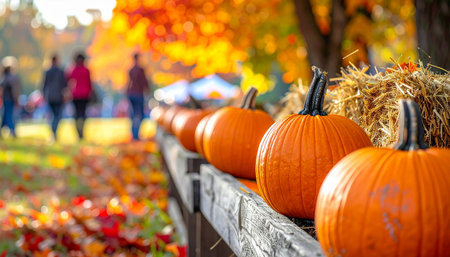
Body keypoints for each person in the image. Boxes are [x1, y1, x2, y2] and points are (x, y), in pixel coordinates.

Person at [42, 54, 67, 140]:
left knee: (53, 115)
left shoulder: (47, 72)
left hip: (50, 96)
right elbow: (64, 84)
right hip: (58, 97)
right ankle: (54, 131)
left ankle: (53, 132)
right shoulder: (60, 72)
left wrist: (44, 95)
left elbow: (44, 85)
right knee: (57, 116)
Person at [67, 53, 92, 139]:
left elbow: (68, 80)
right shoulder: (86, 70)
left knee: (77, 114)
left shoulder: (73, 70)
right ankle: (81, 131)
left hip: (76, 95)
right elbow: (89, 84)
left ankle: (79, 131)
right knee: (82, 114)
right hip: (84, 95)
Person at [126, 53, 150, 140]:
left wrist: (127, 92)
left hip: (131, 93)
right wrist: (148, 90)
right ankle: (136, 134)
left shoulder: (131, 70)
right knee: (140, 114)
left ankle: (134, 133)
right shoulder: (140, 70)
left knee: (133, 114)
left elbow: (128, 83)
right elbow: (144, 82)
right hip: (138, 94)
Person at [0, 58, 21, 137]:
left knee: (7, 115)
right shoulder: (11, 77)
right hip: (8, 99)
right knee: (7, 115)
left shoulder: (5, 77)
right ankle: (11, 130)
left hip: (8, 99)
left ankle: (11, 130)